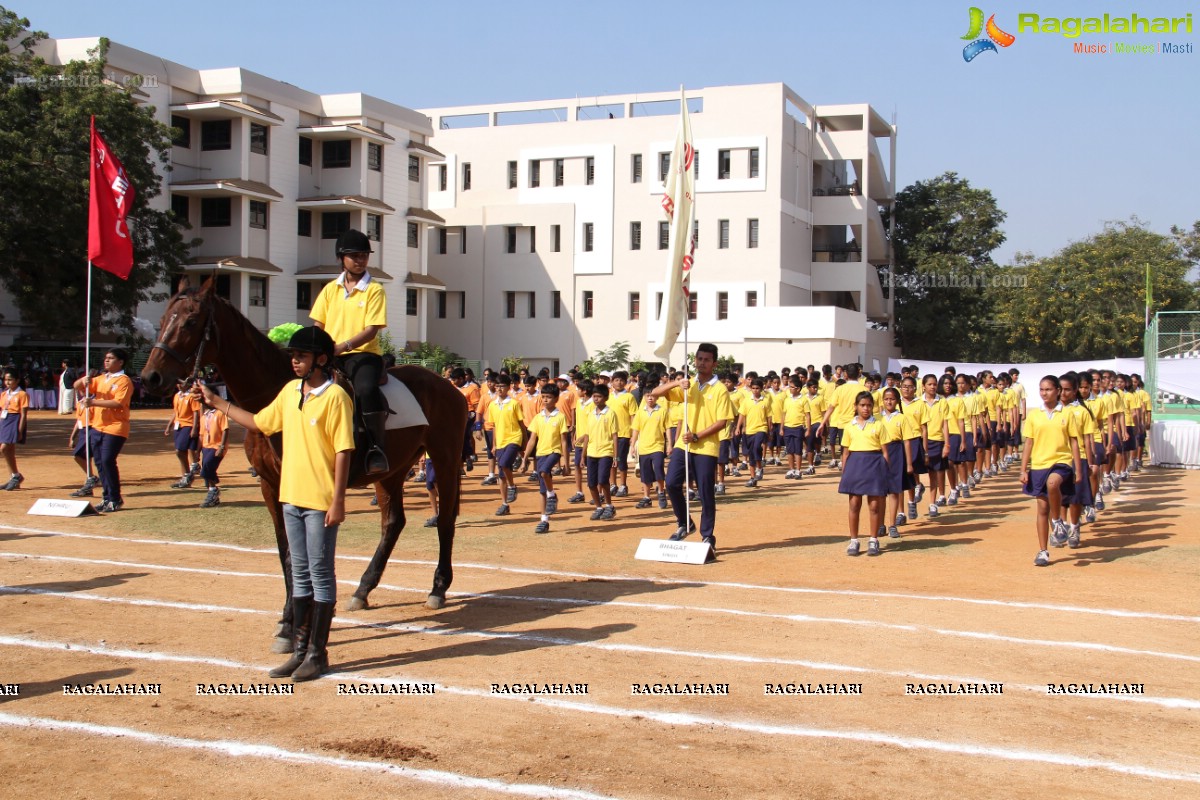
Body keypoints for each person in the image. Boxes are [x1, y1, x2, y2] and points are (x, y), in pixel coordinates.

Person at [200, 326, 353, 681]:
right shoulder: (288, 392)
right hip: (291, 499)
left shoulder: (336, 398)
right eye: (293, 356)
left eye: (300, 356)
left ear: (321, 360)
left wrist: (339, 499)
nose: (294, 361)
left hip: (320, 500)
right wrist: (217, 402)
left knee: (321, 575)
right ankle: (300, 653)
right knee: (300, 576)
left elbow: (344, 450)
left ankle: (318, 653)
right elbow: (258, 422)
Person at [310, 229, 389, 475]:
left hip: (363, 354)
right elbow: (318, 325)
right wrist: (317, 349)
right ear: (341, 258)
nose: (360, 260)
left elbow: (372, 330)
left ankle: (377, 448)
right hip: (330, 355)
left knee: (365, 389)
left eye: (364, 255)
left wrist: (341, 347)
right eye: (354, 255)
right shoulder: (329, 290)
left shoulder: (374, 290)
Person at [651, 342, 735, 561]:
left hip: (705, 447)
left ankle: (707, 536)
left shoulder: (719, 390)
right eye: (699, 359)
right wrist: (677, 382)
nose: (702, 363)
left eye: (706, 360)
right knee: (671, 483)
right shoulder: (687, 385)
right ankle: (685, 523)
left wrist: (698, 435)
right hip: (683, 445)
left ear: (714, 363)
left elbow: (722, 421)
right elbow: (656, 393)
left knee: (706, 492)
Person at [1020, 376, 1082, 568]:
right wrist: (1023, 469)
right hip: (1039, 465)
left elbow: (1073, 442)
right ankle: (1043, 551)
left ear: (1058, 391)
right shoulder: (1034, 416)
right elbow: (1028, 443)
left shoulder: (1067, 413)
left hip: (1061, 462)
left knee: (1053, 483)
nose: (1044, 393)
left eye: (1048, 389)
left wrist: (1078, 468)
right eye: (1041, 389)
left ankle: (1058, 522)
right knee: (1042, 509)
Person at [74, 349, 133, 513]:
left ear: (120, 362)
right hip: (98, 425)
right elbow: (76, 386)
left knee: (107, 460)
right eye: (106, 358)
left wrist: (94, 403)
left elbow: (118, 403)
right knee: (99, 462)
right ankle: (106, 497)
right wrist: (83, 380)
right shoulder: (100, 379)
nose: (106, 361)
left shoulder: (123, 381)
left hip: (115, 427)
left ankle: (115, 498)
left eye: (111, 358)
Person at [840, 391, 891, 556]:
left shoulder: (878, 424)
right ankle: (854, 540)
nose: (866, 408)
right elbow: (846, 452)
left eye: (869, 405)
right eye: (862, 405)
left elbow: (885, 452)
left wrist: (886, 471)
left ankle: (873, 539)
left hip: (874, 464)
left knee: (875, 505)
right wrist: (844, 472)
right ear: (856, 406)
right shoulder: (850, 426)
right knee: (854, 504)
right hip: (855, 465)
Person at [522, 383, 570, 533]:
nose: (545, 400)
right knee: (542, 490)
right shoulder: (538, 417)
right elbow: (531, 440)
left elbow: (563, 441)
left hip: (554, 451)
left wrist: (566, 464)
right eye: (543, 397)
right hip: (540, 453)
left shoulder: (561, 417)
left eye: (548, 397)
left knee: (543, 472)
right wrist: (524, 459)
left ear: (556, 399)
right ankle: (544, 520)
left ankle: (552, 494)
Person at [579, 383, 618, 520]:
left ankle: (609, 506)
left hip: (606, 451)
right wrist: (583, 455)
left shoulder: (610, 413)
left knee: (602, 480)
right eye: (594, 396)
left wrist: (615, 456)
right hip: (591, 452)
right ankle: (598, 507)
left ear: (606, 398)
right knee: (591, 483)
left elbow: (614, 436)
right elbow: (587, 436)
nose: (596, 399)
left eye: (599, 396)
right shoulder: (590, 414)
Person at [488, 374, 525, 516]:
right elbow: (495, 426)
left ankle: (512, 486)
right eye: (497, 386)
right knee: (501, 474)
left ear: (508, 387)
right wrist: (494, 444)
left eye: (502, 386)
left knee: (504, 464)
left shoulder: (514, 403)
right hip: (500, 442)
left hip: (514, 438)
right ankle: (504, 504)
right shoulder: (493, 405)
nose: (499, 389)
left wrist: (525, 442)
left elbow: (521, 424)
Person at [630, 380, 669, 509]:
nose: (650, 398)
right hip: (644, 447)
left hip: (658, 446)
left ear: (656, 397)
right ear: (644, 398)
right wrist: (632, 446)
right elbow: (636, 429)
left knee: (658, 469)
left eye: (652, 396)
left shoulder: (662, 411)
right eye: (648, 396)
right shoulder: (640, 412)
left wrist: (670, 444)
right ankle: (646, 497)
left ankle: (661, 492)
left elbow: (667, 427)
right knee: (645, 473)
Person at [165, 379, 202, 488]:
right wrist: (169, 425)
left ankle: (188, 473)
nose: (179, 385)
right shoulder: (177, 396)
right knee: (181, 451)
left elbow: (196, 412)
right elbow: (175, 412)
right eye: (177, 383)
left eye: (182, 383)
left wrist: (195, 427)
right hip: (178, 425)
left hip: (188, 425)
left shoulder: (191, 396)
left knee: (180, 451)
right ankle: (186, 476)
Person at [197, 395, 229, 508]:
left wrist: (221, 446)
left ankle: (213, 490)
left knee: (206, 468)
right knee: (208, 469)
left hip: (216, 446)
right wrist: (198, 450)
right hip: (206, 446)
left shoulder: (220, 413)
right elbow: (201, 435)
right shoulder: (204, 417)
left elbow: (225, 430)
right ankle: (213, 494)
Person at [1, 369, 29, 490]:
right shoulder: (4, 393)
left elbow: (23, 414)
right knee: (9, 451)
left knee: (4, 448)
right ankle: (14, 476)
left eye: (10, 379)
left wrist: (19, 430)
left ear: (17, 380)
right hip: (4, 421)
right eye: (5, 380)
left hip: (14, 420)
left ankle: (16, 476)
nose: (7, 382)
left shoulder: (22, 394)